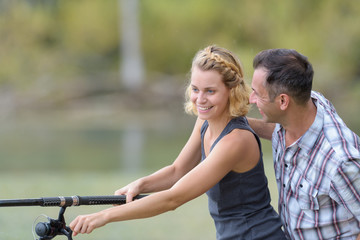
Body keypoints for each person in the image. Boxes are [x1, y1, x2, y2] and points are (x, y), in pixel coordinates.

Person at [70, 45, 286, 239]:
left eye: (210, 91)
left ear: (232, 91)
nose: (200, 99)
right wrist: (140, 184)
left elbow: (173, 199)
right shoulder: (205, 122)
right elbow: (177, 170)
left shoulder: (236, 140)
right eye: (195, 89)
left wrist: (104, 216)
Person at [247, 48, 360, 240]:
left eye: (257, 94)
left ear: (283, 101)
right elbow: (277, 131)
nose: (251, 99)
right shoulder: (305, 103)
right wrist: (235, 121)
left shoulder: (340, 161)